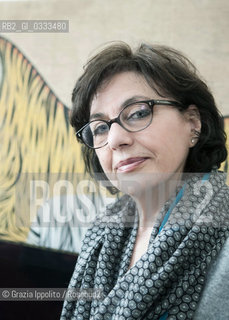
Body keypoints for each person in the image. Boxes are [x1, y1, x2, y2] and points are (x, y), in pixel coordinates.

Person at [61, 42, 229, 319]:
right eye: (100, 128)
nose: (115, 140)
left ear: (193, 123)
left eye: (138, 112)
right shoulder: (100, 237)